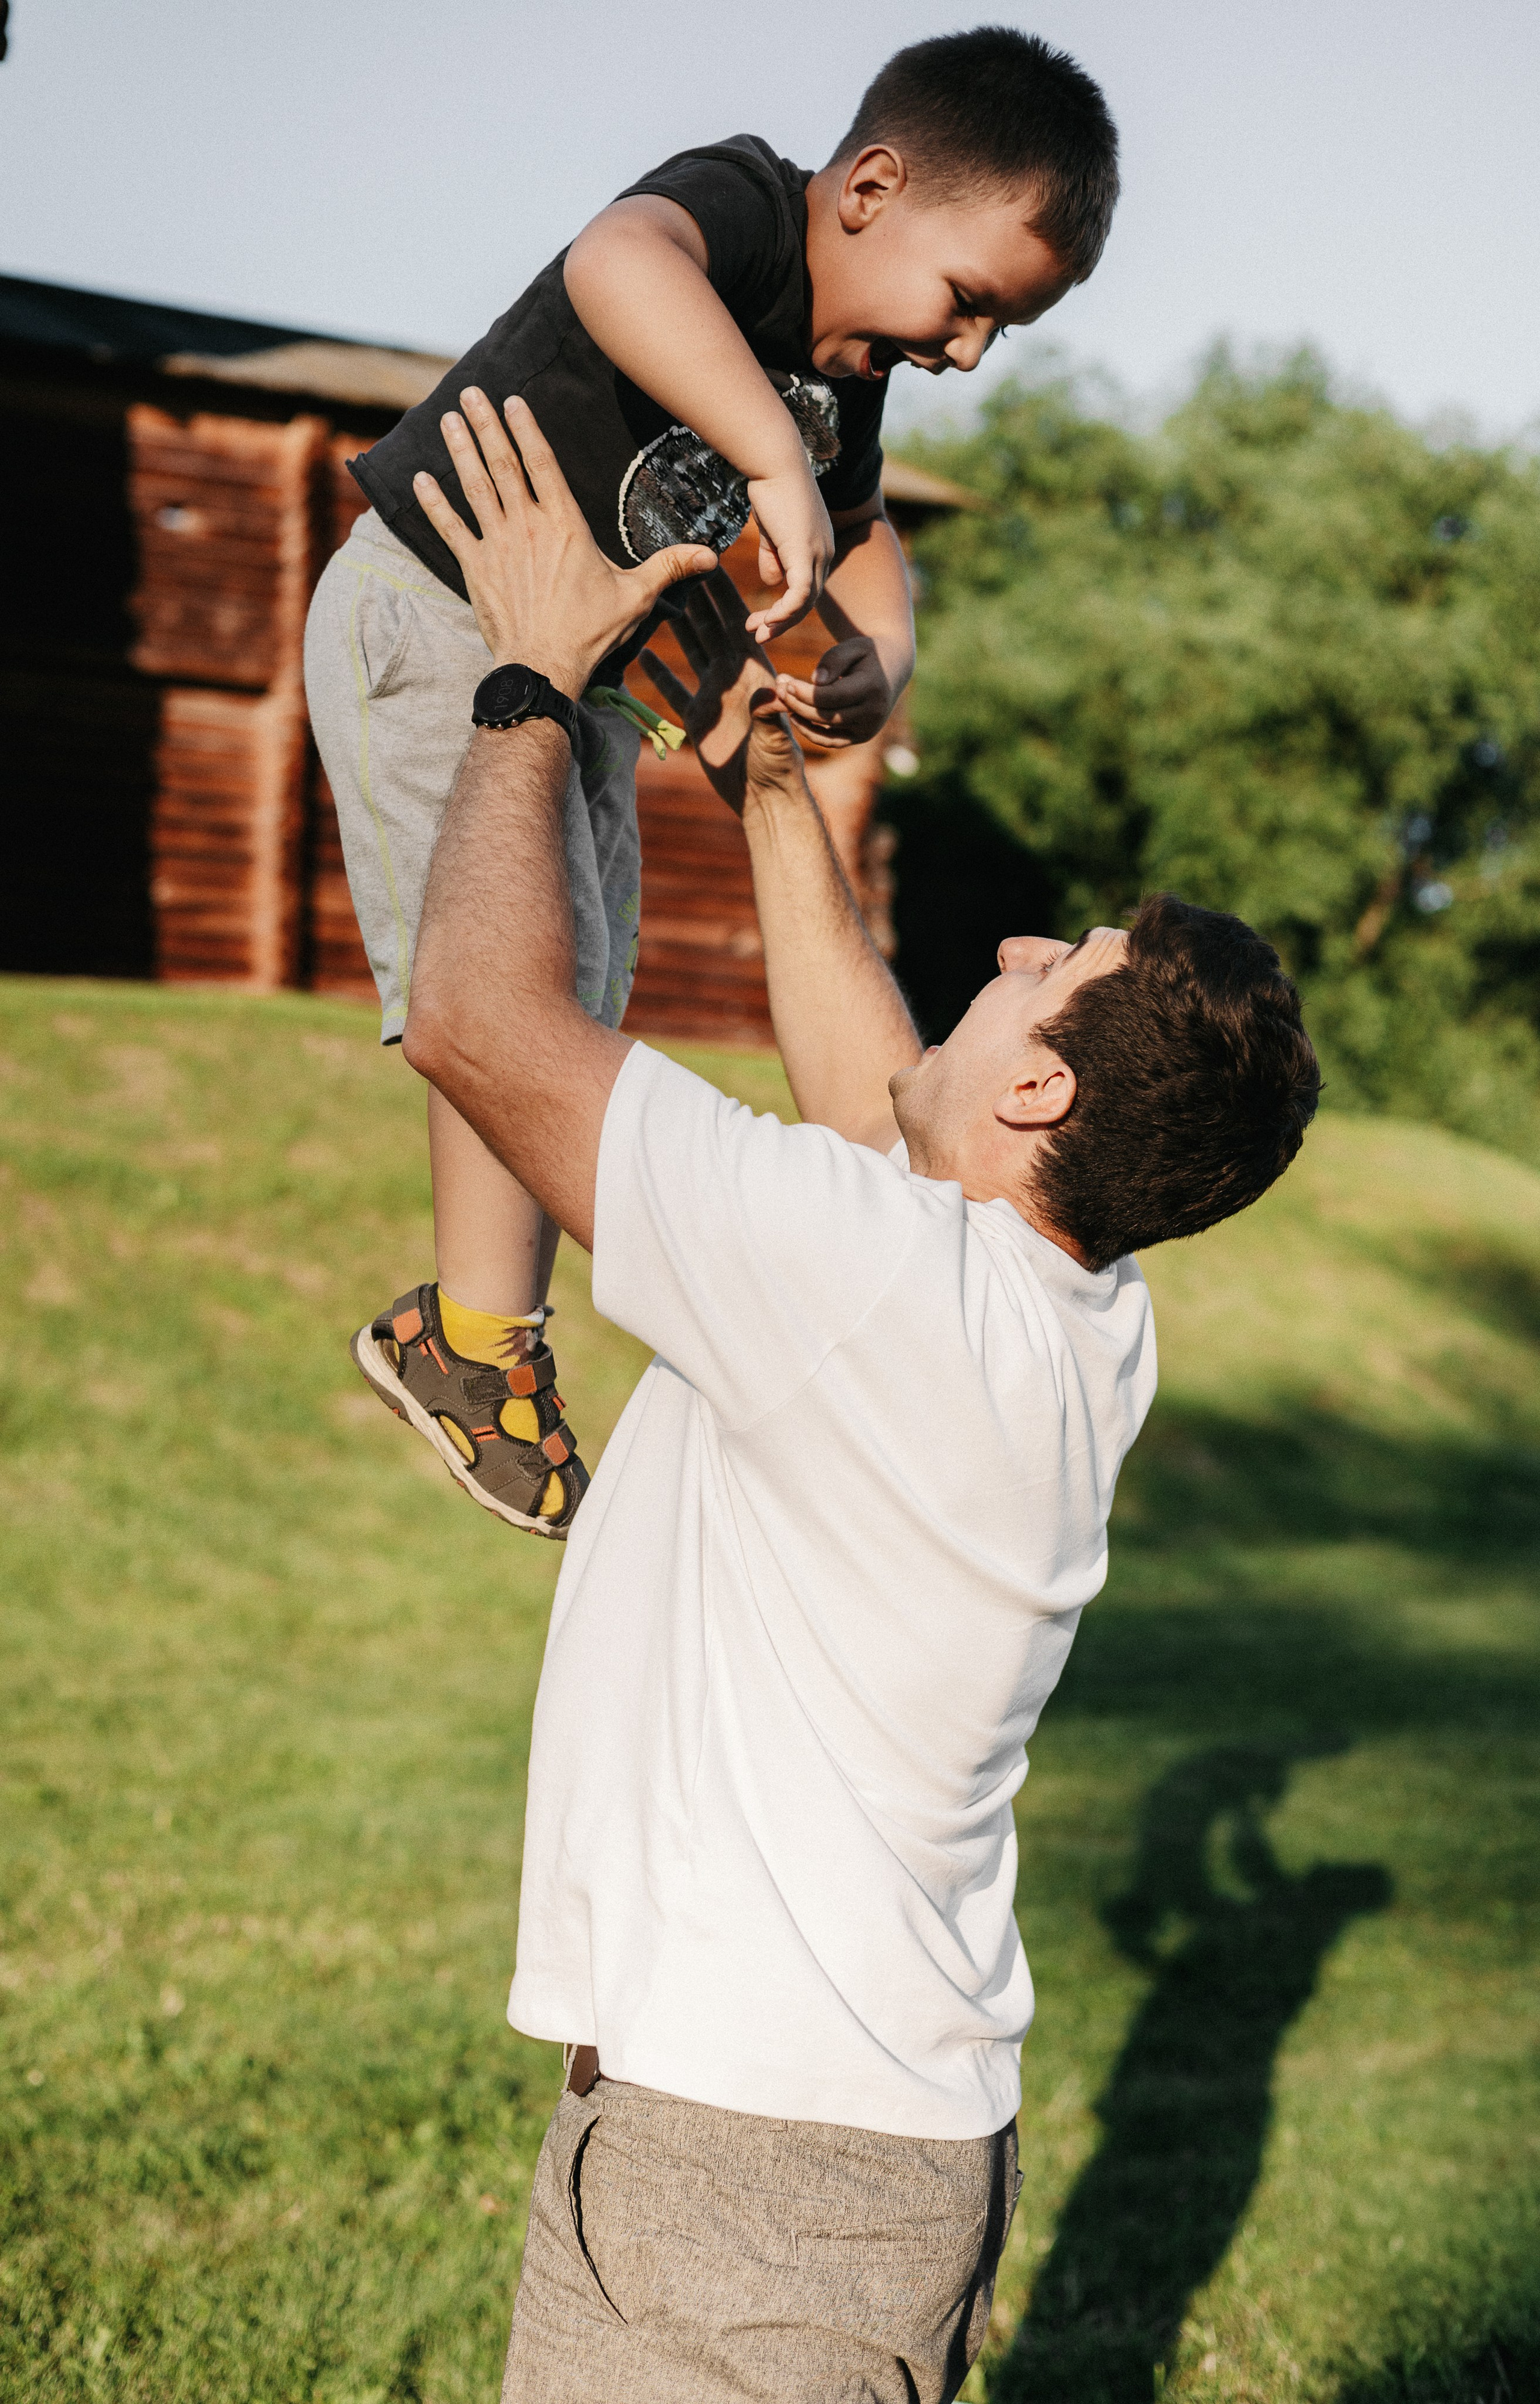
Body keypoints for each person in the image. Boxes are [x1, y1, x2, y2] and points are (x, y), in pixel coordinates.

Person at [393, 384, 1322, 2403]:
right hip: (815, 2137)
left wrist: (530, 683)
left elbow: (475, 1021)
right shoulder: (1067, 1301)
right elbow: (871, 1089)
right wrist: (774, 789)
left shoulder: (886, 1287)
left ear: (1043, 1089)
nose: (1002, 940)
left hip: (753, 2172)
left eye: (1044, 965)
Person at [304, 26, 1121, 1538]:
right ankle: (482, 1346)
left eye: (997, 334)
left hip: (583, 679)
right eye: (966, 306)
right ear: (869, 188)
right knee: (491, 976)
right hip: (435, 606)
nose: (962, 355)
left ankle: (466, 1337)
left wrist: (882, 650)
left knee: (575, 980)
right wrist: (767, 454)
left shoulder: (844, 378)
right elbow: (618, 263)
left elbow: (866, 533)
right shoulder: (746, 209)